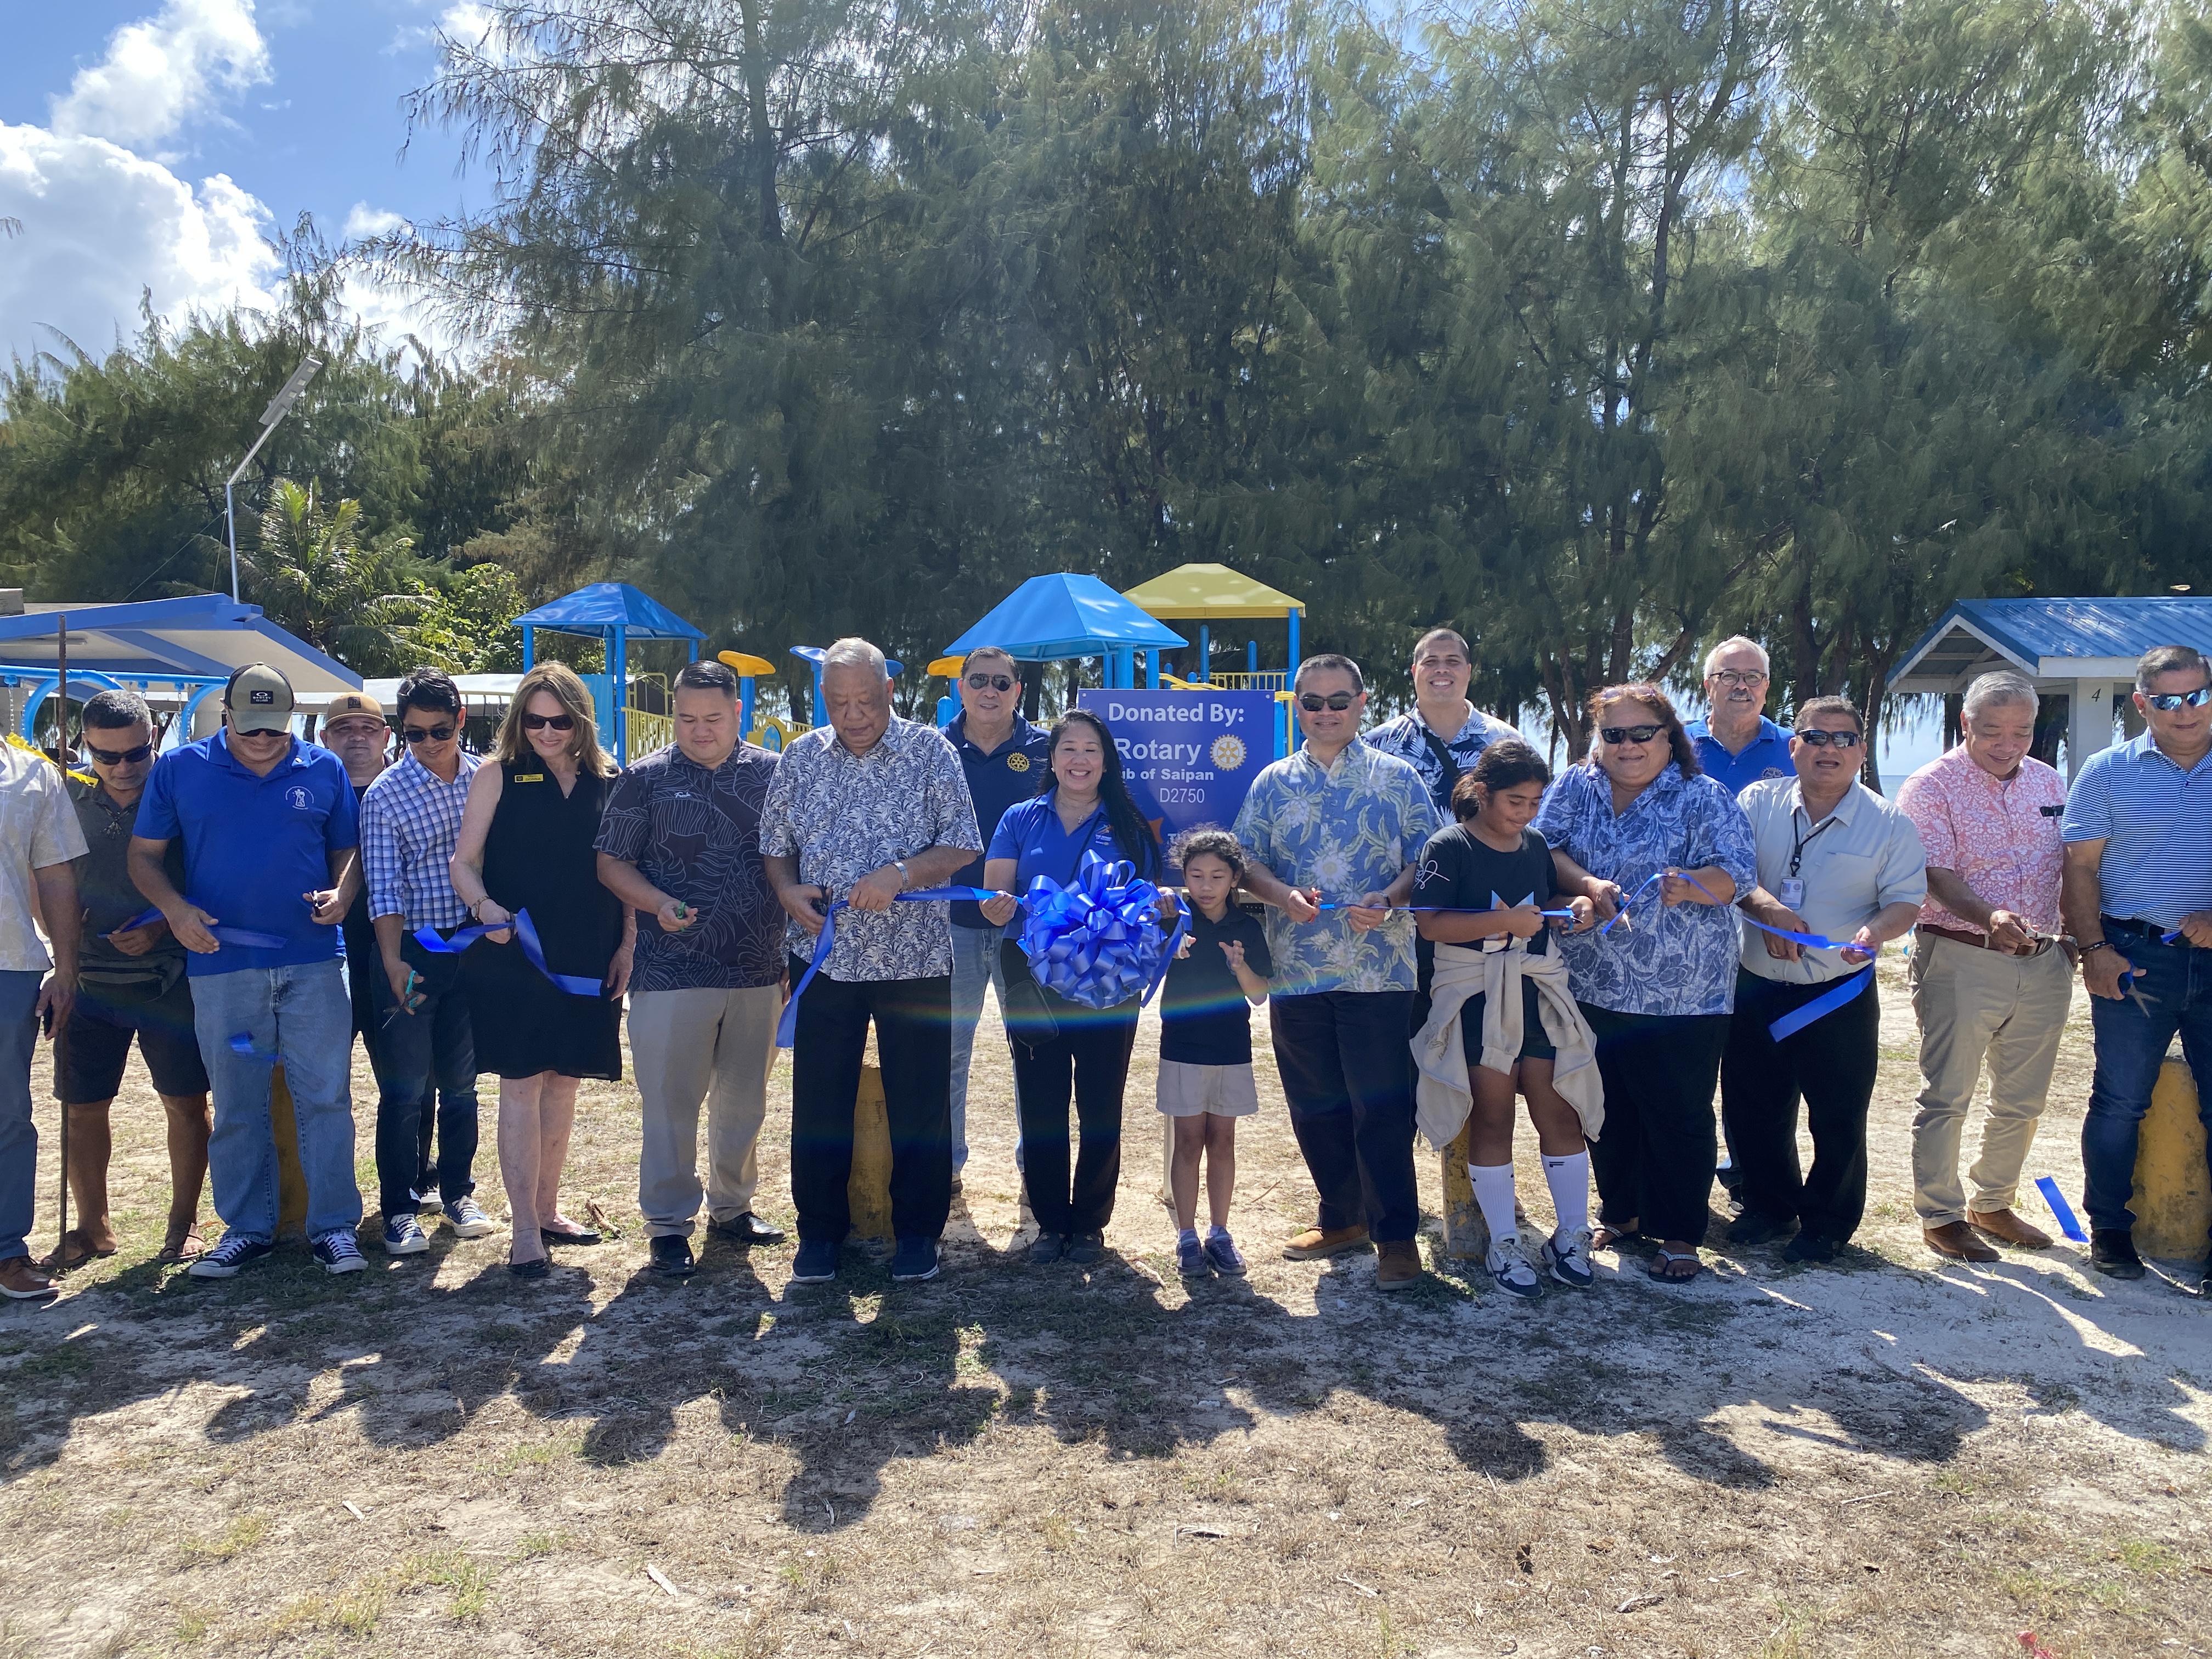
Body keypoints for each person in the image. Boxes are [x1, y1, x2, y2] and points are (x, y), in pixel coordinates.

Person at [129, 663, 365, 1280]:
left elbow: (347, 850)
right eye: (251, 727)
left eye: (275, 729)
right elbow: (144, 857)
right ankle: (247, 1229)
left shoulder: (323, 768)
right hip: (222, 966)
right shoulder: (180, 770)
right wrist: (175, 911)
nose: (263, 740)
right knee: (237, 1103)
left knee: (327, 1099)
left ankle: (334, 1228)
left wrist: (342, 896)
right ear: (226, 715)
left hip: (314, 963)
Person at [760, 637, 982, 1287]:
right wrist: (786, 889)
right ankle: (820, 1236)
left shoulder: (931, 753)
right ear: (822, 698)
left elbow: (962, 846)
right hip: (824, 959)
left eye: (864, 699)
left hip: (913, 957)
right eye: (837, 702)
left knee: (920, 1101)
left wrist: (901, 873)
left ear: (890, 690)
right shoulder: (800, 759)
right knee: (820, 1100)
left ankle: (918, 1236)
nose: (852, 714)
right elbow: (777, 847)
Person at [1535, 684, 1756, 1284]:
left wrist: (1693, 883)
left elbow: (1738, 875)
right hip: (1589, 980)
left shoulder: (1703, 796)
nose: (1628, 745)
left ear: (1669, 738)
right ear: (1597, 740)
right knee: (1605, 1106)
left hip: (1684, 992)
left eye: (1642, 733)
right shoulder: (1573, 787)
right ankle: (1623, 1212)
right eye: (1614, 734)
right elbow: (1544, 849)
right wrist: (1587, 883)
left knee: (1678, 1112)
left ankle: (1682, 1233)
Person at [1232, 653, 1438, 1291]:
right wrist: (1278, 894)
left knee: (1380, 1106)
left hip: (1380, 973)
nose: (1325, 713)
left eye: (1338, 701)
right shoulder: (1271, 782)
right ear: (1297, 707)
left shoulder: (1399, 777)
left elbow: (1428, 859)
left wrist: (1392, 898)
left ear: (1362, 702)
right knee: (1315, 1103)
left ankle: (1396, 1238)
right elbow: (1245, 861)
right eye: (1312, 703)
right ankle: (1341, 1218)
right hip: (1298, 971)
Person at [596, 658, 786, 1279]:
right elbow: (611, 864)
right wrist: (654, 904)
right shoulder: (642, 779)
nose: (699, 730)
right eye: (686, 718)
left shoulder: (775, 775)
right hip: (670, 972)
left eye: (712, 718)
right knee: (671, 1105)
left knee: (744, 1103)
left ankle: (733, 1208)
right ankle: (669, 1223)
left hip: (758, 968)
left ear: (738, 713)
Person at [1725, 697, 1927, 1265]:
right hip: (1757, 983)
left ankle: (1828, 1223)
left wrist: (1872, 934)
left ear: (1862, 752)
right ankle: (1768, 1206)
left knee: (1837, 1112)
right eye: (1815, 737)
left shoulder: (1889, 823)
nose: (1829, 749)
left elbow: (1905, 901)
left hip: (1837, 991)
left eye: (1844, 739)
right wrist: (1767, 908)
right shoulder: (1755, 802)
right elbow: (1734, 874)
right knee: (1753, 1107)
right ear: (1794, 748)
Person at [451, 663, 634, 1278]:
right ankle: (524, 1230)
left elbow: (626, 871)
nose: (547, 732)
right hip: (515, 951)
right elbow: (463, 863)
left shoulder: (609, 779)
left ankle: (550, 1210)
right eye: (535, 721)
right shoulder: (496, 774)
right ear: (518, 721)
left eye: (560, 721)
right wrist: (485, 909)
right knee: (523, 1083)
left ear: (580, 720)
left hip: (590, 951)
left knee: (565, 1082)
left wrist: (628, 944)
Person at [1409, 742, 1601, 1299]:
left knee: (1559, 1111)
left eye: (1536, 801)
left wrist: (1576, 904)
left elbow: (1548, 899)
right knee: (1492, 1120)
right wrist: (1503, 920)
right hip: (1475, 998)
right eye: (1515, 800)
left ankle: (1570, 1235)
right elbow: (1430, 925)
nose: (1526, 813)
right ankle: (1504, 1241)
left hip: (1537, 993)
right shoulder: (1449, 845)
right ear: (1484, 792)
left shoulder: (1537, 844)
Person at [980, 708, 1167, 1267]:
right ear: (1053, 758)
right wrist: (997, 908)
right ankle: (1048, 1224)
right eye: (1068, 749)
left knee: (1100, 1103)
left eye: (1090, 749)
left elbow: (1150, 903)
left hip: (1110, 983)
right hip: (1031, 981)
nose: (1079, 760)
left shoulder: (1130, 822)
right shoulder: (1020, 817)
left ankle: (1089, 1223)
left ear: (1105, 760)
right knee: (1041, 1105)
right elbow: (995, 903)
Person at [1897, 671, 2072, 1262]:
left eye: (2022, 730)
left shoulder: (2049, 781)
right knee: (1948, 1093)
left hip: (2044, 960)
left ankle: (1993, 1202)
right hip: (1961, 956)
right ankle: (1941, 1214)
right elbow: (1934, 874)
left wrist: (2074, 941)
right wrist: (1990, 917)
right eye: (1993, 730)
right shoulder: (1931, 786)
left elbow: (2070, 865)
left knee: (2023, 1098)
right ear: (1966, 723)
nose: (2008, 743)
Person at [2061, 644, 2212, 1288]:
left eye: (2198, 695)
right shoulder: (2106, 771)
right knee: (2121, 1102)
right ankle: (2110, 1233)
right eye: (2170, 700)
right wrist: (2095, 950)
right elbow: (2080, 868)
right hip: (2134, 959)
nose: (2187, 712)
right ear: (2143, 704)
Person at [51, 691, 211, 1268]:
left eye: (135, 752)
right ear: (84, 746)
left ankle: (184, 1223)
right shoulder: (64, 796)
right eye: (105, 755)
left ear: (155, 737)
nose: (122, 767)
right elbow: (47, 879)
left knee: (185, 1103)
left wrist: (164, 927)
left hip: (169, 978)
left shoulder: (184, 792)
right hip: (87, 979)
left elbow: (212, 879)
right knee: (82, 1107)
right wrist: (60, 948)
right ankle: (92, 1229)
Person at [359, 669, 493, 1256]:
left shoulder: (488, 779)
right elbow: (384, 889)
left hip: (473, 947)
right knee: (405, 1088)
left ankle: (458, 1190)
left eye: (441, 730)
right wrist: (391, 960)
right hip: (411, 950)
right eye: (414, 733)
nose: (429, 743)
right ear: (400, 731)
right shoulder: (386, 794)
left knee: (463, 1085)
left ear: (460, 720)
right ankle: (398, 1208)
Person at [943, 646, 1051, 1181]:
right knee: (947, 1052)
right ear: (960, 688)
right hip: (948, 926)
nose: (990, 691)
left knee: (1031, 1050)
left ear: (1018, 692)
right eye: (979, 681)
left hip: (1024, 929)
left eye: (1002, 683)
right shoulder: (933, 750)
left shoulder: (1046, 751)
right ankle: (947, 1164)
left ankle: (1037, 1165)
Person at [1154, 828, 1273, 1280]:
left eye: (1217, 876)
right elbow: (1143, 966)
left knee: (1222, 1141)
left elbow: (1260, 997)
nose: (1206, 886)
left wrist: (1240, 965)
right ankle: (1186, 1236)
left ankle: (1219, 1233)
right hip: (1182, 1046)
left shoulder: (1247, 928)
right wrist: (1169, 948)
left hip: (1232, 1048)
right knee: (1188, 1142)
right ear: (1183, 876)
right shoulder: (1171, 918)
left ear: (1235, 880)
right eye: (1196, 875)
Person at [0, 733, 84, 1300]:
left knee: (8, 1114)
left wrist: (66, 966)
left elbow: (54, 874)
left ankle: (6, 1251)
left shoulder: (34, 775)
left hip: (11, 964)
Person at [1363, 628, 1522, 819]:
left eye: (1453, 661)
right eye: (1430, 662)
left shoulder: (1508, 743)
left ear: (1469, 671)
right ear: (1414, 672)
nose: (1442, 669)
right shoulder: (1377, 746)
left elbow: (1526, 818)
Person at [321, 691, 394, 1048]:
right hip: (327, 958)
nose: (357, 736)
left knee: (408, 1088)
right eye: (344, 728)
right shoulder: (308, 794)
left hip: (395, 954)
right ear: (325, 737)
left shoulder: (408, 792)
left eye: (368, 728)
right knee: (319, 1080)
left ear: (387, 736)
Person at [1685, 637, 1792, 794]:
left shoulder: (1795, 749)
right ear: (1708, 688)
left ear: (1766, 687)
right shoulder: (1673, 743)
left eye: (1753, 677)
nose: (1741, 686)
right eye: (1729, 676)